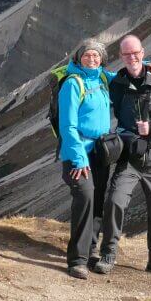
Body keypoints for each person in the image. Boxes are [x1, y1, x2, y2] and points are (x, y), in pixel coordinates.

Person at [93, 34, 151, 277]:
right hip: (130, 158)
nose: (132, 58)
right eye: (126, 55)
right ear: (121, 58)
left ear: (143, 53)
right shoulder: (116, 84)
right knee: (114, 201)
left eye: (136, 53)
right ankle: (108, 254)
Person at [57, 38, 113, 280]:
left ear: (101, 59)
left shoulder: (101, 78)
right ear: (78, 58)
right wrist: (79, 159)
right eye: (87, 55)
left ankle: (91, 250)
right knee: (85, 195)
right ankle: (77, 259)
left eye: (96, 55)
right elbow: (67, 126)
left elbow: (131, 74)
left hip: (100, 151)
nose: (92, 59)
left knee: (98, 199)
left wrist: (149, 65)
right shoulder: (73, 83)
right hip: (77, 152)